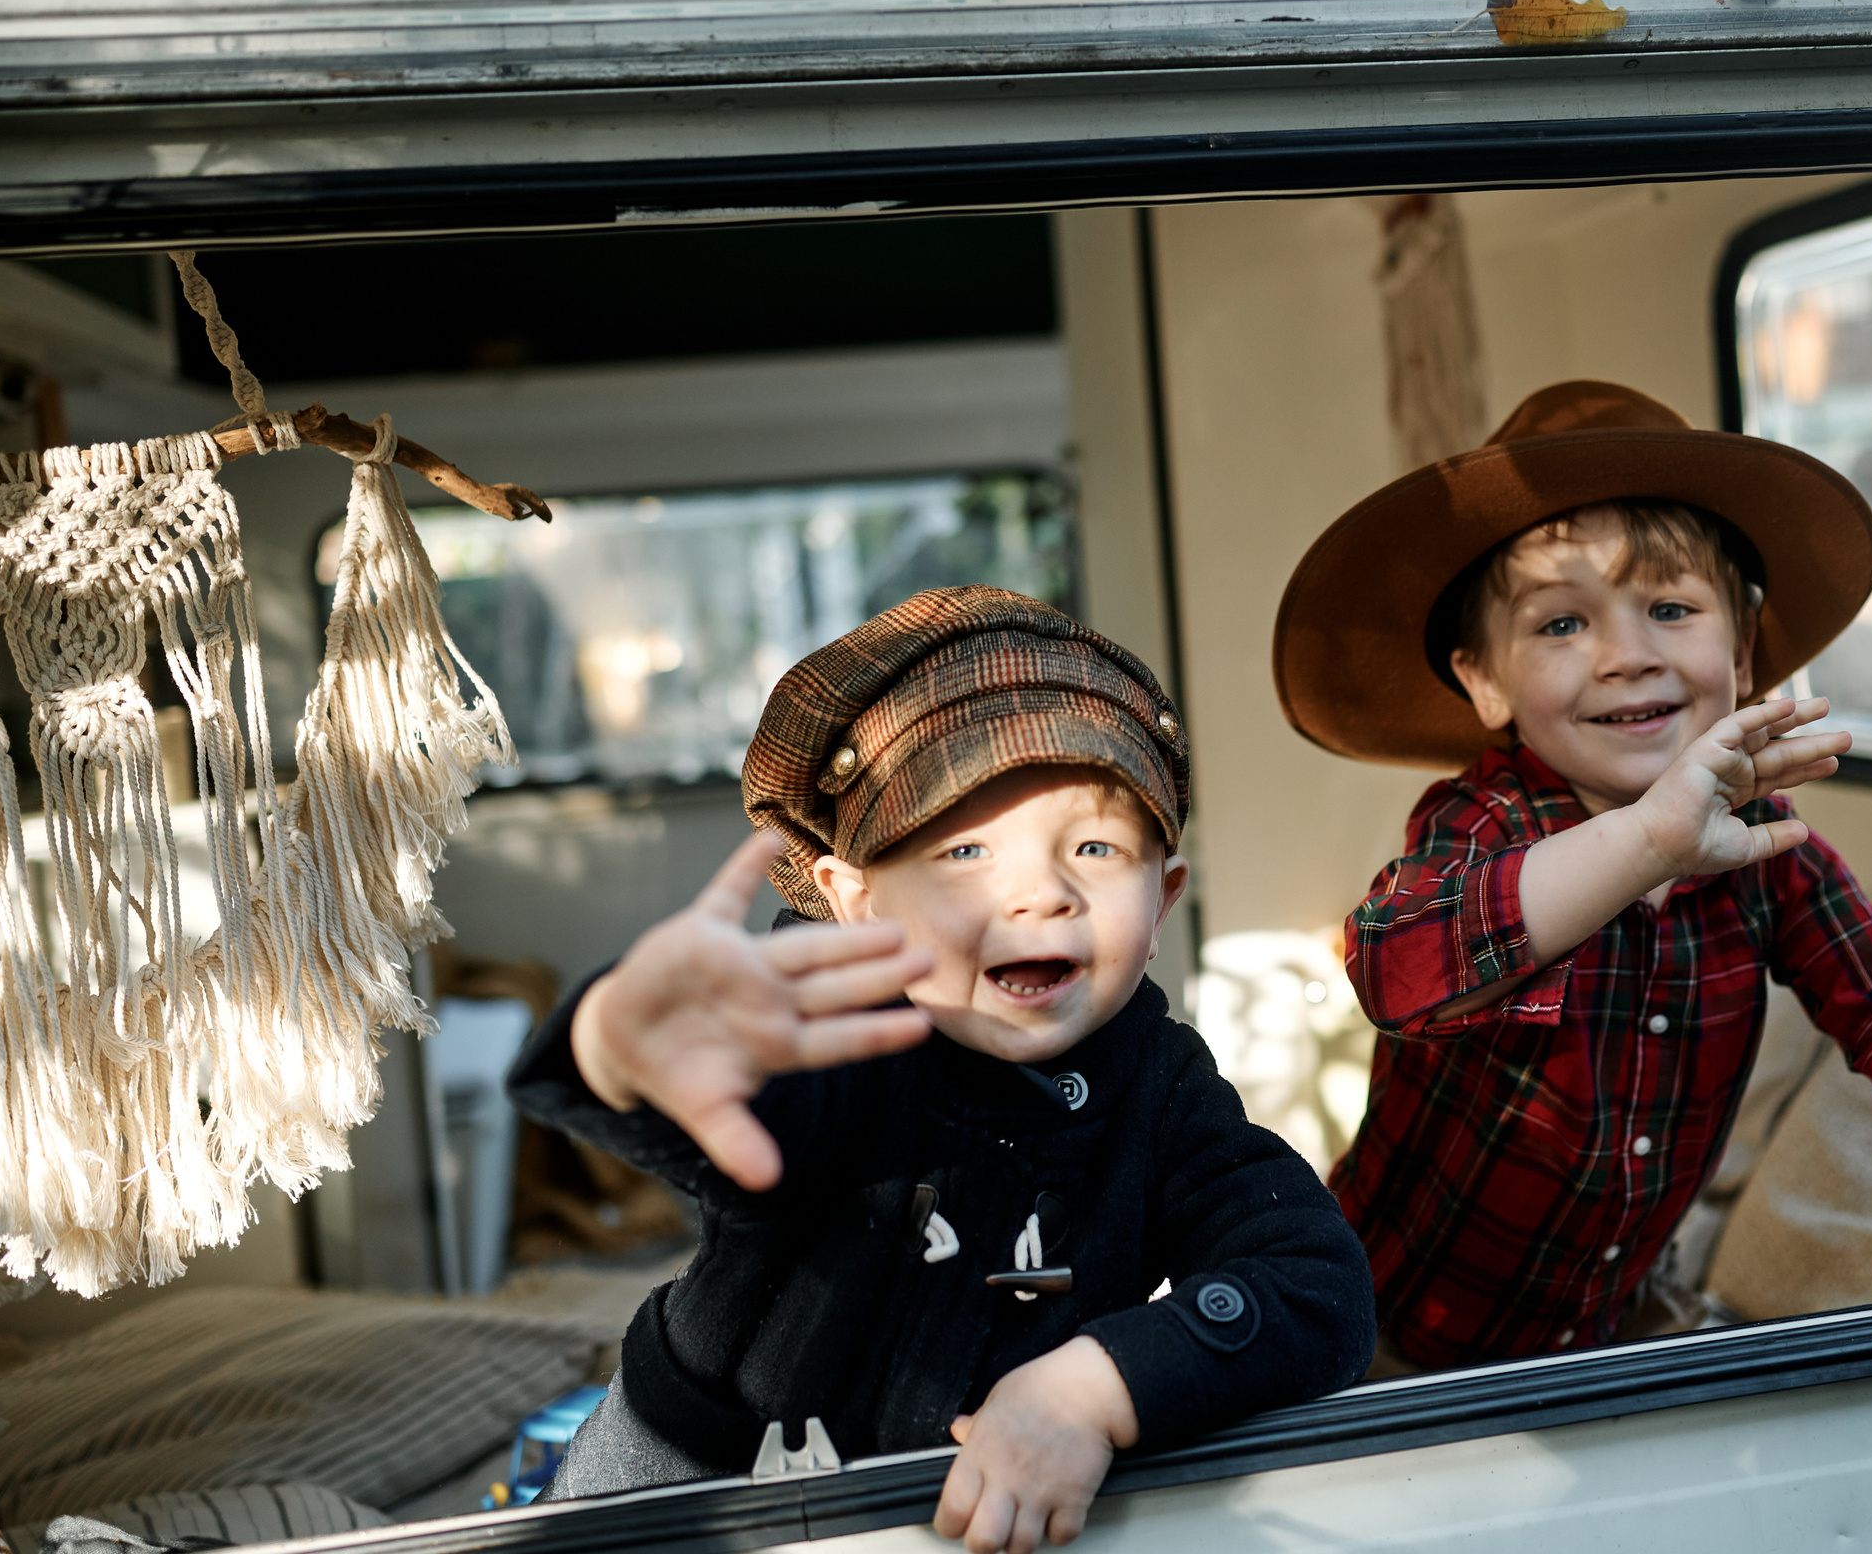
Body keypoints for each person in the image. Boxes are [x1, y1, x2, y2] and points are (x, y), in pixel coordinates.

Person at [1272, 380, 1872, 1375]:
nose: (1627, 656)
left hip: (1603, 1326)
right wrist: (1646, 843)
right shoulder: (1482, 821)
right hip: (1387, 1334)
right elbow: (1395, 968)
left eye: (1671, 609)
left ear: (1743, 648)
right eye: (1561, 625)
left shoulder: (1762, 848)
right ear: (1485, 681)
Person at [511, 587, 1375, 1553]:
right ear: (857, 903)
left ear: (1163, 898)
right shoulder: (834, 1039)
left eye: (1094, 847)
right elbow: (728, 1100)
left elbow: (1318, 1287)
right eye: (965, 850)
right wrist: (625, 1042)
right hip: (698, 1494)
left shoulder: (1159, 1083)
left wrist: (1097, 1386)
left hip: (982, 1506)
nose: (1041, 893)